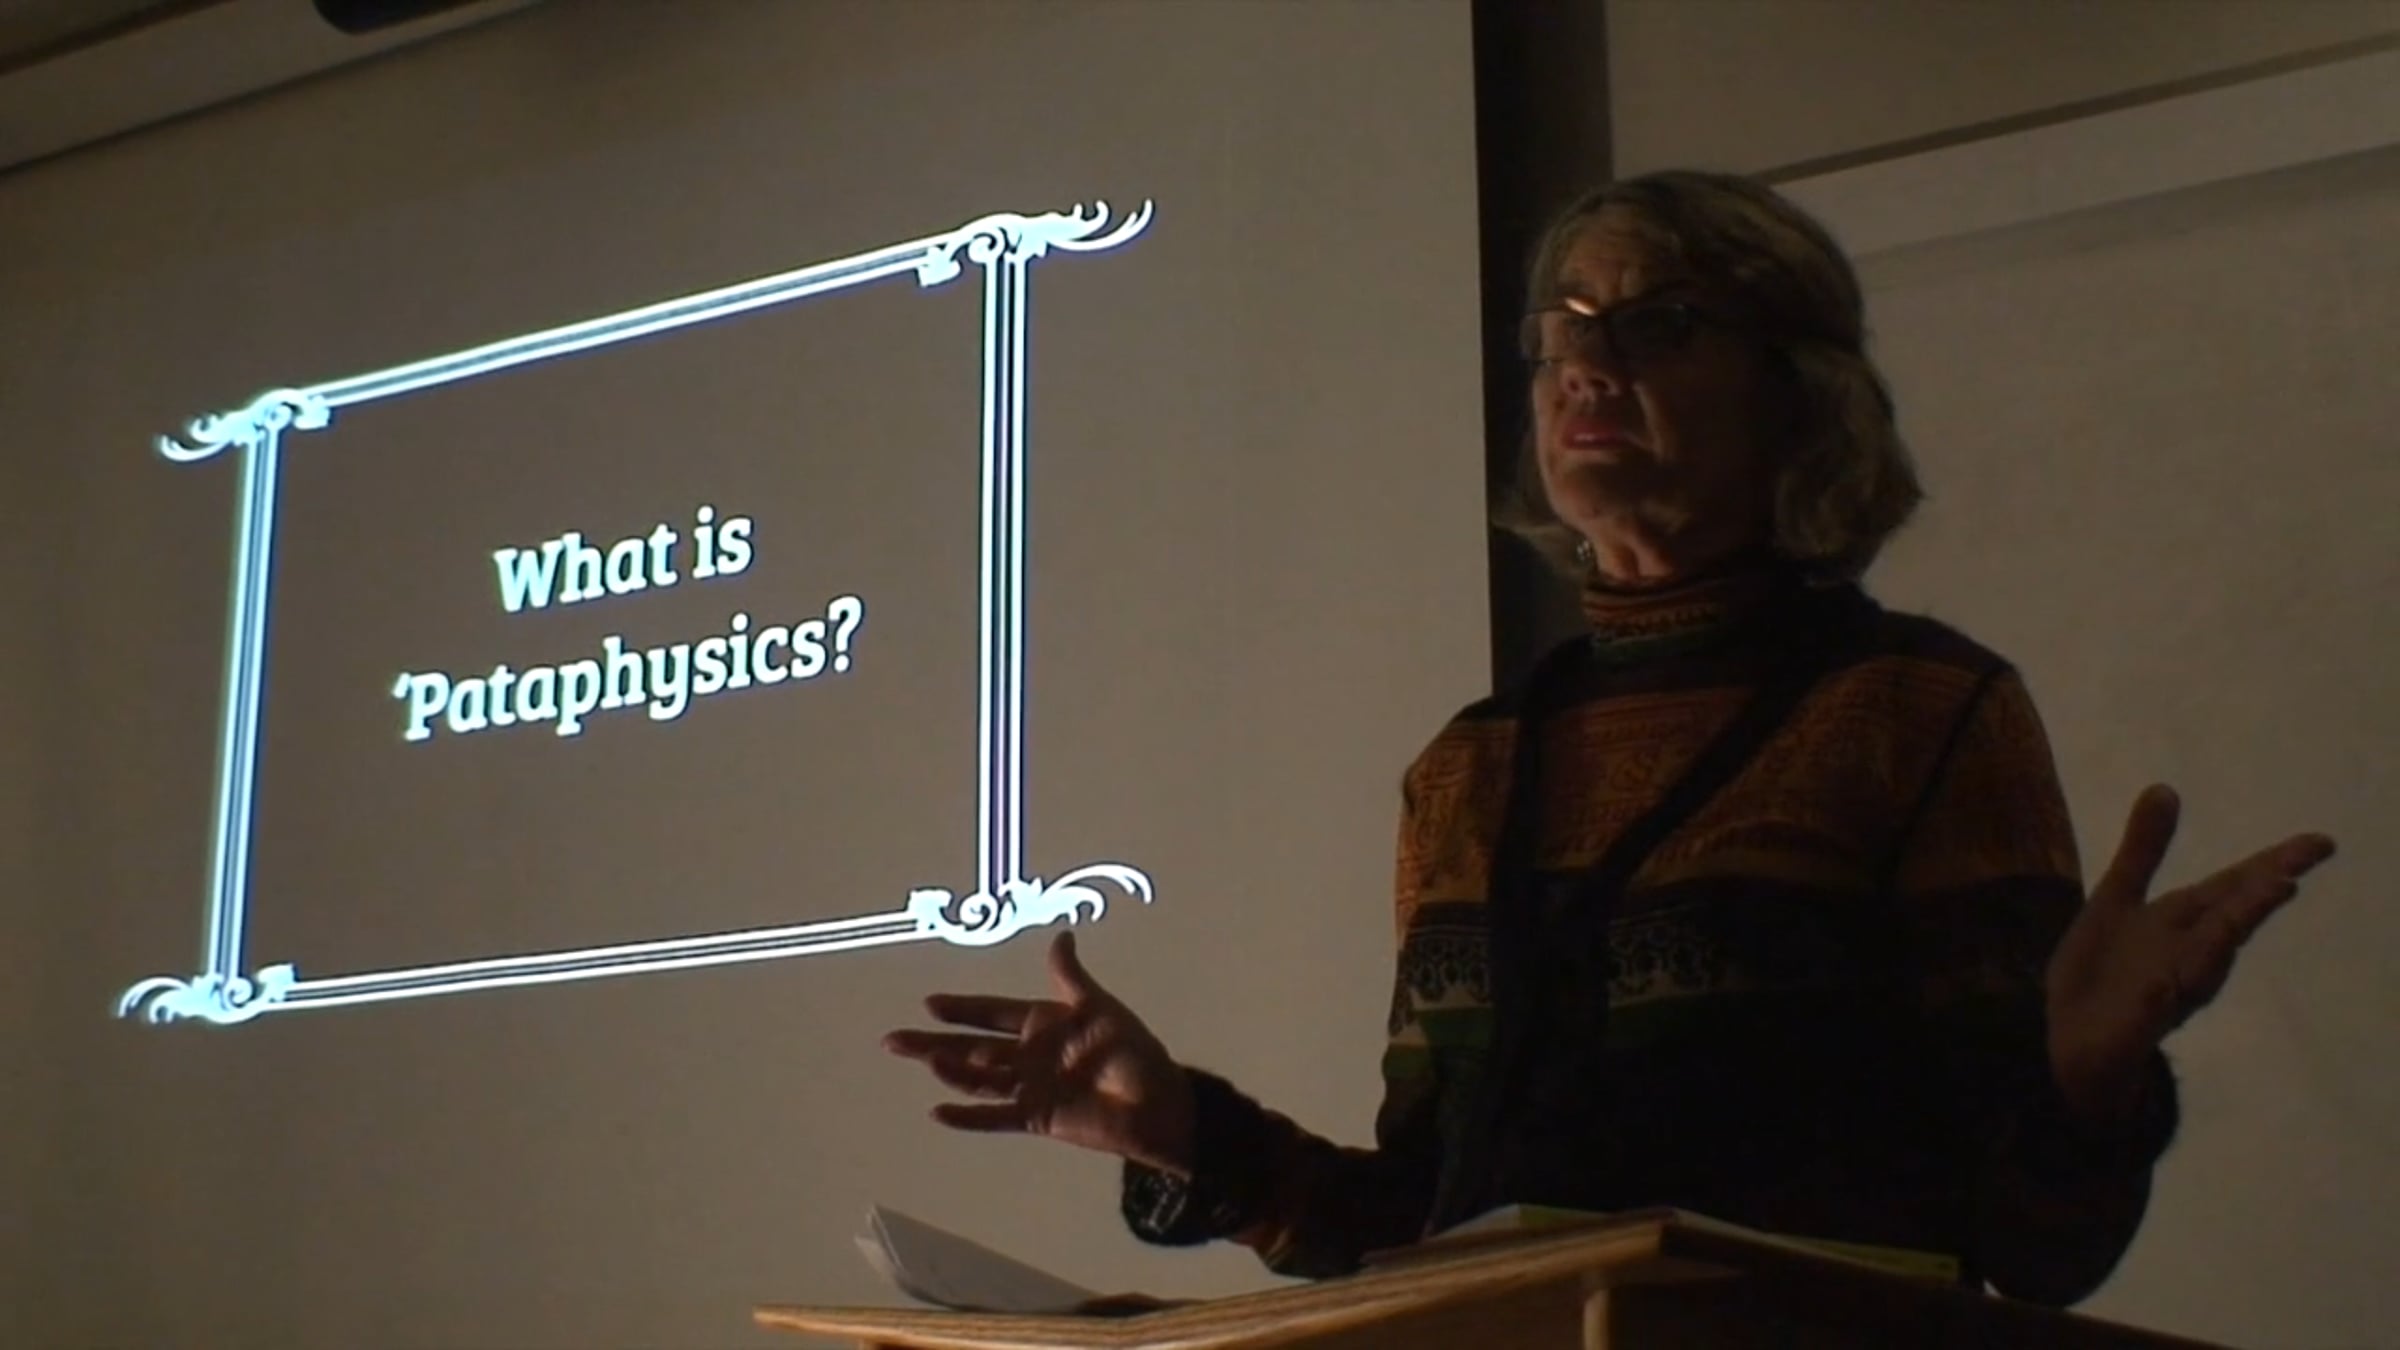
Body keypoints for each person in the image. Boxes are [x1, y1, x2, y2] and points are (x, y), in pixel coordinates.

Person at [881, 170, 2337, 1307]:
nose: (1585, 361)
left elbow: (2035, 1249)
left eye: (1656, 323)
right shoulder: (1467, 768)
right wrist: (1186, 1133)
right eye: (1563, 327)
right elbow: (1427, 1225)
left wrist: (2083, 1081)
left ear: (1799, 395)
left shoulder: (1921, 711)